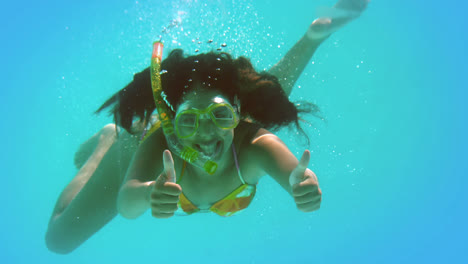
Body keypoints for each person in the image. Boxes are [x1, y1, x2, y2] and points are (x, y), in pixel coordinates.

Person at [45, 0, 369, 254]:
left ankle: (313, 37)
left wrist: (301, 184)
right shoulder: (163, 145)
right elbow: (126, 205)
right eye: (188, 120)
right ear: (175, 121)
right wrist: (148, 193)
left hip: (241, 119)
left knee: (268, 94)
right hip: (134, 144)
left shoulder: (253, 145)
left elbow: (293, 176)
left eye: (221, 116)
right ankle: (110, 138)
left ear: (235, 114)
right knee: (58, 240)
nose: (205, 133)